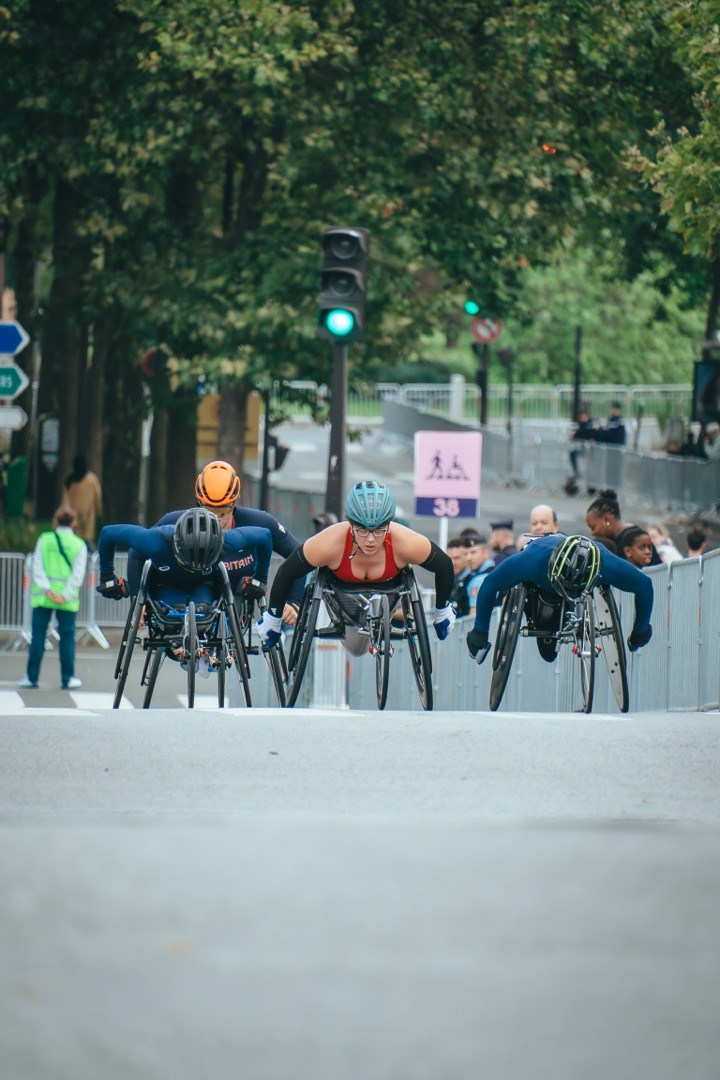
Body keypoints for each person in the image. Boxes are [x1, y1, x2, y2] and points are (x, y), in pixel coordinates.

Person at [256, 480, 456, 655]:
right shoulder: (330, 542)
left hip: (390, 594)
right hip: (341, 601)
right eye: (361, 530)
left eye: (379, 530)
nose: (370, 539)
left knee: (359, 649)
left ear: (389, 524)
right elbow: (287, 572)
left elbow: (444, 565)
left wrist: (442, 610)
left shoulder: (404, 541)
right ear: (350, 524)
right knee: (356, 649)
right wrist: (273, 617)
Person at [127, 460, 304, 622]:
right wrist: (137, 599)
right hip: (194, 596)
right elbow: (136, 552)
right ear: (198, 502)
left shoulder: (259, 523)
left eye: (223, 511)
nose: (216, 518)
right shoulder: (173, 522)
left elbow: (300, 554)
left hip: (237, 596)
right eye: (209, 509)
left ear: (234, 503)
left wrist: (294, 601)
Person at [465, 533, 654, 666]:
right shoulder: (532, 559)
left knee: (548, 654)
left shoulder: (604, 562)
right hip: (541, 583)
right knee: (547, 653)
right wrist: (480, 630)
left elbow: (644, 585)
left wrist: (641, 629)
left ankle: (573, 595)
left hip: (579, 584)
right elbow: (490, 584)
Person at [97, 507, 273, 610]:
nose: (193, 568)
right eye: (189, 562)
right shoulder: (156, 540)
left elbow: (265, 535)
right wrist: (107, 577)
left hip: (204, 584)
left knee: (202, 612)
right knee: (173, 612)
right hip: (167, 583)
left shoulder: (226, 540)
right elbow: (108, 533)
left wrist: (260, 577)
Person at [18, 506, 88, 690]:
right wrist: (64, 594)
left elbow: (37, 566)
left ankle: (31, 677)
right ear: (74, 523)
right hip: (67, 599)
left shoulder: (45, 539)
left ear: (56, 521)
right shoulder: (79, 544)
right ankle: (68, 678)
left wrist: (47, 590)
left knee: (38, 636)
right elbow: (78, 574)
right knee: (66, 637)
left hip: (43, 596)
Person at [585, 488, 662, 564]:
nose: (593, 533)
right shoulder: (629, 536)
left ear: (607, 520)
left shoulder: (628, 542)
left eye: (593, 527)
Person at [63, 455, 103, 548]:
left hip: (73, 520)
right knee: (86, 542)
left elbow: (65, 501)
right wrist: (98, 512)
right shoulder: (92, 479)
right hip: (88, 518)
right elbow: (98, 497)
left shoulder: (69, 480)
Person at [463, 534, 494, 617]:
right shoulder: (495, 571)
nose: (468, 558)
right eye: (466, 554)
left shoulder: (479, 580)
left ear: (486, 552)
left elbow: (474, 616)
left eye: (473, 552)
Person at [567, 406, 598, 489]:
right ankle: (577, 476)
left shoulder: (590, 425)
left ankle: (591, 488)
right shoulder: (580, 425)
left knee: (590, 471)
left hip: (589, 451)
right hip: (582, 450)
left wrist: (576, 435)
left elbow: (586, 434)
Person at [447, 536, 471, 618]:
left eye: (457, 558)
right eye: (449, 559)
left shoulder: (472, 579)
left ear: (466, 556)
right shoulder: (449, 579)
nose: (453, 563)